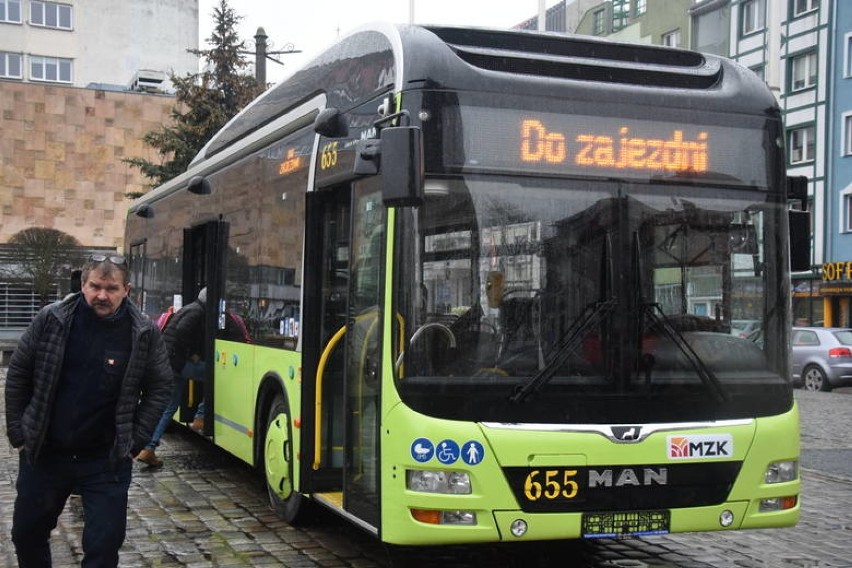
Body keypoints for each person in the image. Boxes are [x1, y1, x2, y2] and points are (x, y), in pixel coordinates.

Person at [5, 254, 173, 568]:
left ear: (127, 290)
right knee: (26, 535)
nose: (101, 295)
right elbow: (19, 372)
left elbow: (160, 386)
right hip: (46, 453)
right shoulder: (52, 318)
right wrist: (18, 432)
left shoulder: (143, 332)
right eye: (95, 286)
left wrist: (135, 442)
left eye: (111, 288)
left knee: (103, 549)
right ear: (83, 284)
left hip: (105, 460)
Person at [136, 287, 208, 467]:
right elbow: (182, 333)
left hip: (170, 362)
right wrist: (192, 354)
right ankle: (200, 416)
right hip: (179, 363)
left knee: (170, 406)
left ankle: (149, 448)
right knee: (216, 376)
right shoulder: (198, 312)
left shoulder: (190, 308)